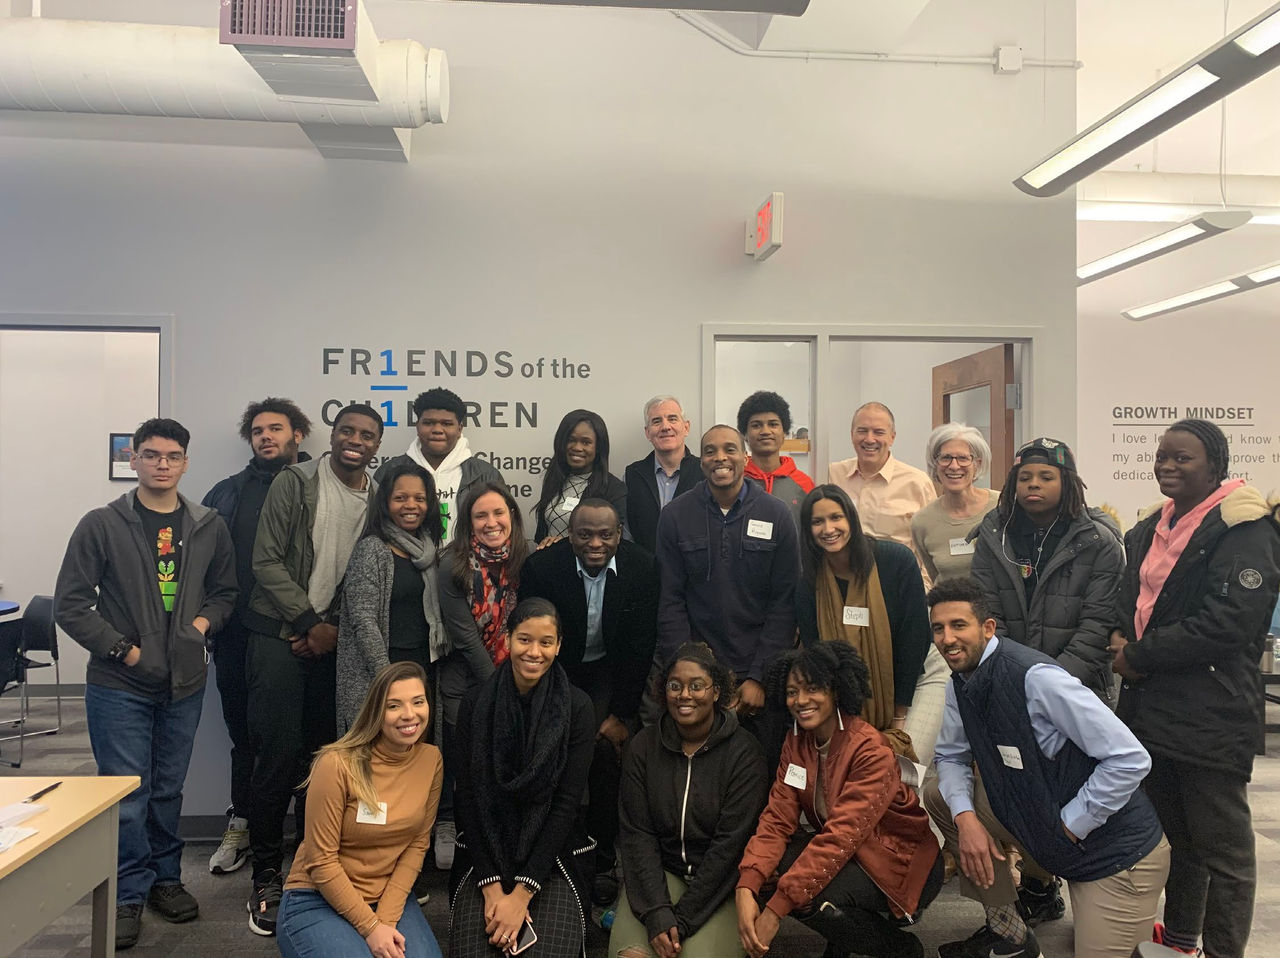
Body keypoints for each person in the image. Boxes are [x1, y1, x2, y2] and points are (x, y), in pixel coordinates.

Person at [54, 418, 237, 950]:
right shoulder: (102, 524)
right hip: (119, 683)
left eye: (172, 456)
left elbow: (225, 593)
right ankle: (127, 892)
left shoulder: (208, 524)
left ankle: (165, 880)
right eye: (151, 455)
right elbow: (71, 604)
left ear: (185, 462)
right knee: (127, 793)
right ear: (133, 459)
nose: (162, 464)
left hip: (185, 682)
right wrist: (125, 650)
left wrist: (198, 628)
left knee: (166, 790)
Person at [925, 577, 1169, 958]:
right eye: (938, 628)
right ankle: (1010, 933)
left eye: (959, 625)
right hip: (1049, 827)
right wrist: (966, 820)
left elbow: (1130, 758)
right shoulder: (959, 683)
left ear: (988, 628)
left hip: (1114, 854)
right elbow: (952, 756)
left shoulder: (1035, 678)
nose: (947, 638)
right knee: (941, 796)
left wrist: (1070, 826)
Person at [1109, 419, 1280, 958]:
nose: (1167, 465)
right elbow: (1131, 602)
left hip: (1212, 712)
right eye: (1162, 455)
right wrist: (1119, 636)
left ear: (1215, 466)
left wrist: (1139, 655)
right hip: (1153, 711)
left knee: (1223, 852)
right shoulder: (1150, 527)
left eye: (1182, 458)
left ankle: (1223, 951)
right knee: (1179, 841)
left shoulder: (1244, 529)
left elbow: (1229, 623)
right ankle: (1181, 942)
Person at [242, 403, 383, 937]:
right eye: (347, 430)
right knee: (276, 756)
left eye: (366, 435)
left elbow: (366, 573)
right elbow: (266, 561)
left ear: (377, 445)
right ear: (332, 434)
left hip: (333, 642)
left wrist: (331, 631)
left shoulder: (376, 497)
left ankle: (311, 868)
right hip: (278, 635)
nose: (355, 440)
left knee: (325, 765)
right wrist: (307, 622)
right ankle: (265, 875)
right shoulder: (296, 481)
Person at [736, 642, 943, 958]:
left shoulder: (870, 749)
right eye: (792, 692)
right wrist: (747, 884)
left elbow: (840, 837)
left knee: (803, 892)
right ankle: (845, 938)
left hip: (900, 864)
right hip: (851, 854)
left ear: (835, 690)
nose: (800, 700)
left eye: (812, 688)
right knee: (768, 873)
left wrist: (775, 911)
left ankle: (900, 948)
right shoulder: (796, 741)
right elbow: (777, 820)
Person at [518, 498, 659, 906]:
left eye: (605, 535)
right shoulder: (542, 568)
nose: (595, 544)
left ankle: (600, 861)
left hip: (609, 672)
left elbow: (640, 647)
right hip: (556, 669)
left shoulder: (642, 567)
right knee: (547, 752)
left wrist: (621, 714)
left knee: (604, 756)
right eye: (584, 535)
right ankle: (540, 850)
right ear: (569, 535)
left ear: (619, 535)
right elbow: (532, 641)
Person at [448, 598, 596, 957]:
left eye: (546, 642)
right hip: (484, 855)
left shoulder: (578, 707)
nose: (534, 652)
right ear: (507, 639)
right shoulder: (475, 703)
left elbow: (565, 805)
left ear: (558, 646)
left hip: (552, 858)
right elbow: (466, 797)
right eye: (524, 639)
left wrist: (523, 892)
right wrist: (491, 886)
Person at [203, 397, 312, 876]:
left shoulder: (321, 485)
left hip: (304, 635)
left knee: (308, 740)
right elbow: (202, 565)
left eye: (276, 428)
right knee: (245, 736)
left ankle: (312, 841)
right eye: (258, 431)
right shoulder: (227, 493)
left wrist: (311, 623)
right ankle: (243, 823)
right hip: (236, 637)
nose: (266, 437)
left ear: (298, 435)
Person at [277, 661, 445, 958]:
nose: (409, 714)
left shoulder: (431, 760)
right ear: (376, 711)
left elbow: (418, 844)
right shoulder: (336, 764)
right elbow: (321, 861)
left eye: (418, 702)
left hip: (386, 896)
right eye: (394, 705)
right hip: (316, 897)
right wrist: (370, 927)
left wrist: (386, 921)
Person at [612, 643, 768, 958]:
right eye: (675, 686)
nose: (684, 695)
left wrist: (681, 921)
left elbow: (729, 849)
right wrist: (657, 912)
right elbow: (637, 835)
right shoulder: (643, 748)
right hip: (660, 876)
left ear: (716, 692)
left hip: (721, 887)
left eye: (697, 686)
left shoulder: (745, 753)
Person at [655, 425, 799, 732]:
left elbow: (784, 604)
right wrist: (689, 672)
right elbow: (670, 599)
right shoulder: (675, 516)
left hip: (758, 674)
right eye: (710, 451)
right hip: (697, 675)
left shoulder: (777, 514)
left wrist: (760, 677)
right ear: (701, 461)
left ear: (745, 458)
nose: (720, 457)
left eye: (730, 449)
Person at [971, 437, 1124, 705]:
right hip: (1006, 685)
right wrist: (1014, 676)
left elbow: (1098, 625)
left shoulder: (1099, 542)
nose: (1033, 483)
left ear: (1067, 482)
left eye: (1046, 477)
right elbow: (986, 613)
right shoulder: (994, 536)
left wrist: (1050, 682)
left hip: (1079, 690)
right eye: (1024, 477)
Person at [434, 480, 531, 870]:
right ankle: (453, 831)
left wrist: (515, 684)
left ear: (512, 516)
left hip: (518, 676)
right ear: (467, 522)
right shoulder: (452, 565)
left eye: (498, 513)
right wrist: (500, 688)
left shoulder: (527, 557)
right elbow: (464, 637)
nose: (491, 523)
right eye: (480, 516)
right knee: (465, 765)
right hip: (466, 681)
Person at [794, 485, 930, 761]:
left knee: (907, 761)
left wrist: (898, 716)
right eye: (817, 522)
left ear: (852, 520)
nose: (828, 529)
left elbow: (914, 639)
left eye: (836, 517)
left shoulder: (895, 561)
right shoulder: (808, 581)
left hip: (915, 679)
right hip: (848, 697)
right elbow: (816, 652)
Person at [335, 461, 446, 733]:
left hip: (424, 666)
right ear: (385, 502)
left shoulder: (429, 551)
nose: (411, 505)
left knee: (419, 747)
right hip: (380, 671)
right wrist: (388, 678)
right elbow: (363, 621)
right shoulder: (372, 550)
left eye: (419, 498)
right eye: (401, 498)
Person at [373, 387, 504, 543]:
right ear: (417, 426)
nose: (437, 430)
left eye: (446, 424)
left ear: (459, 429)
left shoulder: (485, 475)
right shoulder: (389, 472)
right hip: (404, 558)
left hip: (466, 558)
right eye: (428, 423)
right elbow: (376, 526)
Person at [826, 401, 935, 561]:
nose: (869, 439)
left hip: (896, 574)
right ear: (852, 435)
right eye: (862, 431)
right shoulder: (831, 475)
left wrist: (921, 578)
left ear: (892, 437)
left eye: (878, 432)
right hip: (841, 573)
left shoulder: (917, 482)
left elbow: (932, 543)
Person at [910, 423, 999, 585]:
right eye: (945, 458)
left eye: (963, 458)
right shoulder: (922, 522)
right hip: (950, 601)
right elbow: (936, 577)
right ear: (935, 463)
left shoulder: (1001, 506)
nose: (954, 466)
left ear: (977, 464)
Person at [532, 408, 627, 547]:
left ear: (598, 447)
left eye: (586, 442)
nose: (577, 447)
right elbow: (541, 535)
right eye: (571, 440)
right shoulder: (554, 480)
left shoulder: (614, 489)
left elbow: (616, 542)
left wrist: (563, 545)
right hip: (551, 559)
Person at [625, 395, 700, 556]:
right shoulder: (632, 475)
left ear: (686, 427)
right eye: (656, 421)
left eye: (672, 419)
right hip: (646, 568)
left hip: (694, 568)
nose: (665, 427)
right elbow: (627, 534)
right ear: (647, 432)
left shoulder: (704, 472)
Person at [737, 390, 814, 527]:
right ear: (745, 435)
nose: (765, 431)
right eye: (756, 425)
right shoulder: (734, 481)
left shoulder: (804, 483)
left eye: (773, 424)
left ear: (785, 432)